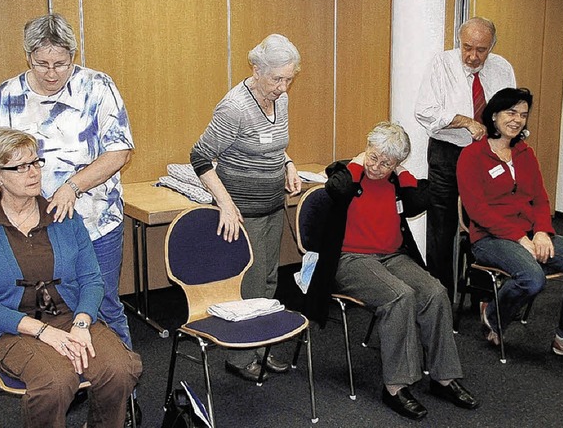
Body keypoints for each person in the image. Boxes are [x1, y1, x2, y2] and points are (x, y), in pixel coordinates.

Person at [0, 15, 139, 415]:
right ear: (28, 57)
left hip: (92, 220)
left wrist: (71, 187)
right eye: (41, 64)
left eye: (61, 64)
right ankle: (63, 384)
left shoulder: (97, 86)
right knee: (39, 303)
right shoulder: (6, 96)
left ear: (72, 57)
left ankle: (119, 398)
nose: (51, 73)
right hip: (31, 223)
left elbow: (119, 150)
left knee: (104, 305)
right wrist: (16, 183)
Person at [0, 128, 143, 427]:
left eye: (35, 163)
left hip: (71, 318)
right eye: (19, 167)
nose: (33, 173)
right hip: (13, 329)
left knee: (120, 368)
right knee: (55, 381)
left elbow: (92, 280)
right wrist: (43, 333)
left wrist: (82, 324)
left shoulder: (65, 217)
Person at [307, 122, 479, 420]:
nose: (377, 166)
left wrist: (401, 172)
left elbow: (418, 202)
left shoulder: (396, 179)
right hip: (350, 259)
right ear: (366, 151)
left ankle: (444, 378)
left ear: (397, 163)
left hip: (392, 256)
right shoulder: (346, 173)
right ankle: (396, 387)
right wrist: (359, 163)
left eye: (386, 163)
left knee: (436, 293)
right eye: (373, 157)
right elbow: (336, 190)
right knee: (399, 296)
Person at [190, 34, 302, 382]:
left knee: (268, 279)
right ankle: (240, 356)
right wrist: (225, 203)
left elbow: (273, 142)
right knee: (248, 284)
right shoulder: (234, 107)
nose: (283, 88)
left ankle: (261, 346)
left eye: (289, 79)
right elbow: (199, 156)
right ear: (256, 70)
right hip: (241, 212)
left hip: (270, 205)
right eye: (276, 79)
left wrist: (288, 163)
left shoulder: (278, 99)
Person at [457, 88, 563, 362]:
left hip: (529, 234)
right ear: (494, 115)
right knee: (532, 279)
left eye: (523, 115)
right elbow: (477, 211)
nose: (517, 120)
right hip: (489, 239)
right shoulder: (471, 156)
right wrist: (520, 238)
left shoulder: (526, 154)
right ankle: (493, 316)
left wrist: (541, 231)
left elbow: (540, 199)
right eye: (511, 112)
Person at [415, 17, 516, 301]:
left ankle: (482, 297)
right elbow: (425, 111)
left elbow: (509, 110)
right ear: (460, 42)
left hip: (486, 154)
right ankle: (440, 297)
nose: (473, 56)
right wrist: (464, 121)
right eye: (467, 47)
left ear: (492, 46)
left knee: (484, 224)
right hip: (448, 152)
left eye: (481, 50)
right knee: (441, 226)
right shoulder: (441, 64)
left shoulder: (502, 68)